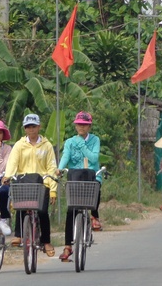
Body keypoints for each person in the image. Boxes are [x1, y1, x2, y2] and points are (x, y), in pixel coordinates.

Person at [3, 114, 57, 257]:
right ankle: (19, 235)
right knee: (21, 208)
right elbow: (13, 162)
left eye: (33, 126)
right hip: (24, 182)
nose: (31, 129)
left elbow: (51, 167)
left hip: (42, 183)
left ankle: (46, 241)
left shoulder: (47, 146)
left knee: (43, 212)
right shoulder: (20, 145)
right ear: (24, 129)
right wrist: (8, 175)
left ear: (39, 127)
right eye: (28, 127)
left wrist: (53, 189)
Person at [56, 111, 102, 261]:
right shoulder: (69, 142)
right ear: (75, 125)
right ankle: (68, 246)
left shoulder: (95, 140)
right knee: (71, 210)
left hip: (91, 174)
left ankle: (95, 216)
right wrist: (60, 168)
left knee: (95, 188)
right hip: (75, 176)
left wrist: (82, 145)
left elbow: (94, 158)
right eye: (79, 124)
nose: (81, 127)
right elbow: (66, 156)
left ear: (89, 126)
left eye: (84, 125)